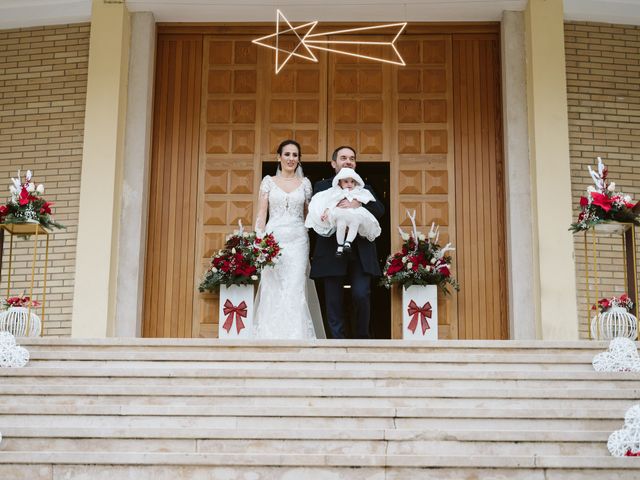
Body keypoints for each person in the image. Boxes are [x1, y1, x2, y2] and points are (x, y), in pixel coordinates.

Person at [309, 146, 385, 339]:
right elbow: (317, 212)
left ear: (355, 164)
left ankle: (362, 338)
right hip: (331, 251)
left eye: (352, 158)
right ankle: (337, 341)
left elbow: (380, 211)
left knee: (361, 294)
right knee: (333, 300)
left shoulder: (365, 189)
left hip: (361, 251)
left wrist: (358, 204)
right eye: (343, 158)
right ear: (334, 163)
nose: (348, 161)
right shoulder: (322, 186)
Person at [253, 139, 325, 339]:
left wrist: (324, 217)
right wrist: (259, 242)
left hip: (298, 241)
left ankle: (297, 335)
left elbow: (308, 214)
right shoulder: (268, 181)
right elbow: (261, 214)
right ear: (279, 157)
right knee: (272, 285)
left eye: (295, 155)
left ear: (299, 160)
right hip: (273, 240)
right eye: (287, 154)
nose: (291, 158)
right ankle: (268, 335)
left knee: (294, 286)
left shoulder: (305, 184)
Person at [305, 167, 381, 257]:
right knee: (341, 224)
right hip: (341, 214)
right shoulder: (338, 193)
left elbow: (369, 199)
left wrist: (359, 203)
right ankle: (340, 246)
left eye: (352, 182)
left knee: (355, 222)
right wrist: (326, 212)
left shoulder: (358, 191)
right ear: (340, 182)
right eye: (346, 181)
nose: (349, 184)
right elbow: (332, 202)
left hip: (355, 214)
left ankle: (348, 242)